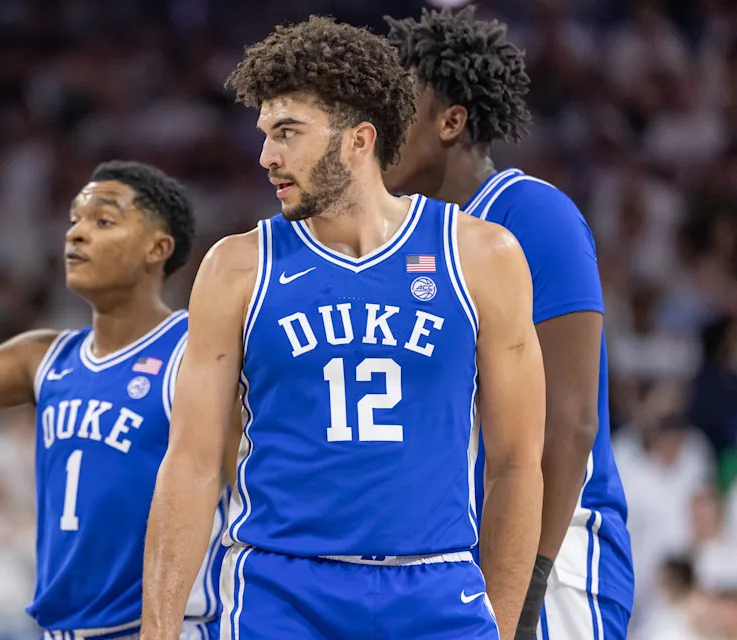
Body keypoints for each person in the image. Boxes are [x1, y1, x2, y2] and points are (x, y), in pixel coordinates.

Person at [141, 17, 546, 640]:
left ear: (358, 140)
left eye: (287, 133)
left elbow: (516, 464)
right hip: (281, 591)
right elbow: (191, 463)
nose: (266, 155)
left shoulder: (481, 257)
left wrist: (502, 623)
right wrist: (159, 630)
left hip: (436, 585)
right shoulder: (237, 267)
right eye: (265, 134)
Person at [0, 143, 227, 639]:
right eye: (74, 219)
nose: (76, 232)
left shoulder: (197, 354)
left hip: (166, 629)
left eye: (103, 221)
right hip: (61, 630)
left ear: (157, 248)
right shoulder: (46, 358)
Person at [384, 7, 635, 639]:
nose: (375, 126)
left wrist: (526, 590)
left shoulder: (533, 215)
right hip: (447, 557)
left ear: (451, 121)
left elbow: (572, 422)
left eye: (395, 106)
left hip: (554, 557)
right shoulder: (401, 243)